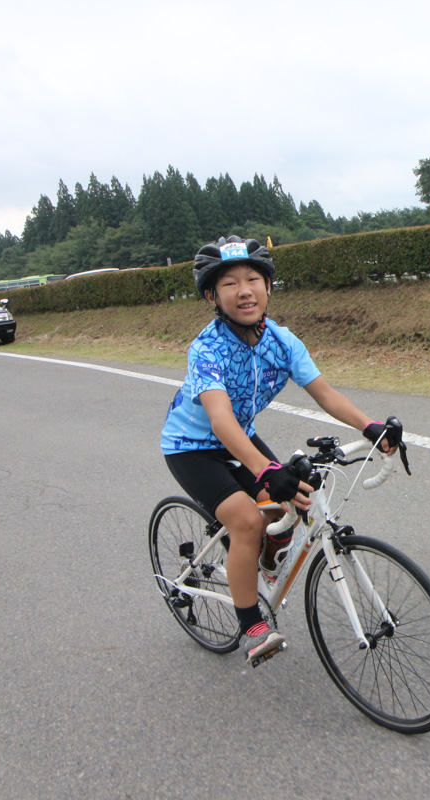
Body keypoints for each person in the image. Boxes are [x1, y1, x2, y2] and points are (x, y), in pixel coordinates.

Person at [161, 236, 400, 664]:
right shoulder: (207, 348)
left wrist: (369, 425)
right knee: (248, 521)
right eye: (230, 283)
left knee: (294, 500)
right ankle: (251, 624)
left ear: (269, 287)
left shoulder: (282, 341)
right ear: (212, 296)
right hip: (192, 447)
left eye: (254, 278)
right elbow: (220, 420)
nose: (245, 289)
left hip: (241, 436)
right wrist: (265, 470)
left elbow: (323, 393)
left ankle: (264, 564)